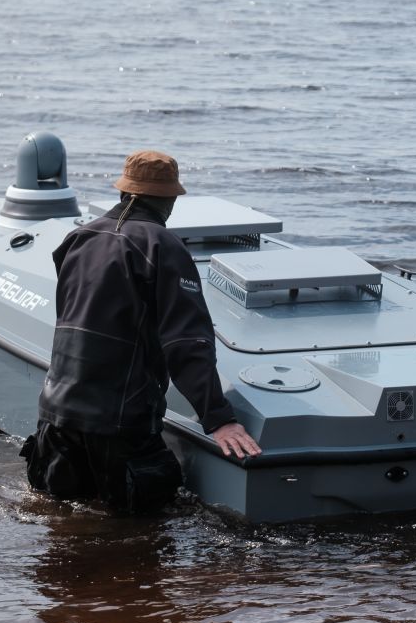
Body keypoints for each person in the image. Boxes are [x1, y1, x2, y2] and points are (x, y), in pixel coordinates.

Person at [21, 150, 261, 513]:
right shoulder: (163, 246)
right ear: (168, 199)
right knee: (142, 532)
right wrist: (219, 419)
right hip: (117, 423)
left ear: (124, 191)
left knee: (62, 526)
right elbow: (186, 342)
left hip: (56, 415)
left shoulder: (77, 239)